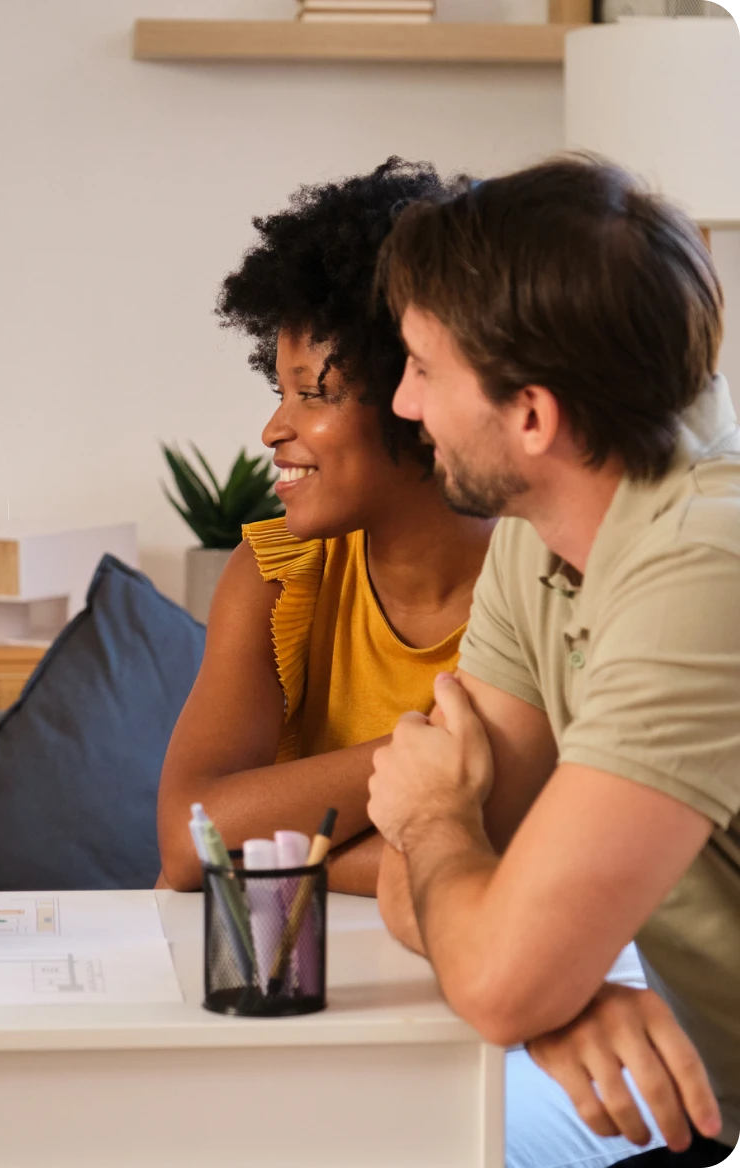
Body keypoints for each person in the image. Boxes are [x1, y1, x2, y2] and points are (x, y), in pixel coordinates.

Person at [367, 156, 738, 1166]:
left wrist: (436, 819)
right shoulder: (543, 525)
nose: (404, 405)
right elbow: (423, 900)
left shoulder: (705, 565)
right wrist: (550, 996)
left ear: (530, 417)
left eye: (422, 368)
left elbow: (444, 861)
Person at [156, 158, 494, 897]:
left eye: (315, 394)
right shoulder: (276, 575)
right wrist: (418, 755)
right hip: (296, 975)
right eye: (280, 391)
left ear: (419, 390)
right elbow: (190, 843)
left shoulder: (540, 585)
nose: (275, 428)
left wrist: (271, 853)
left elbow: (526, 860)